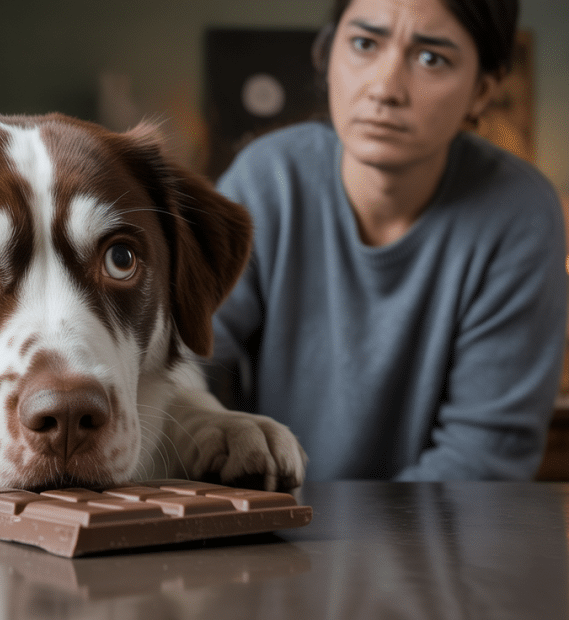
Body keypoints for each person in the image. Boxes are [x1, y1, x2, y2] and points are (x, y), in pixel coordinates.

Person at [209, 0, 567, 480]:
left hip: (435, 544)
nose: (384, 88)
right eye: (363, 44)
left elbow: (480, 461)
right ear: (325, 55)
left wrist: (328, 547)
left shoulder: (519, 215)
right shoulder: (266, 180)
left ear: (483, 91)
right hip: (260, 524)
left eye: (431, 58)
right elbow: (182, 368)